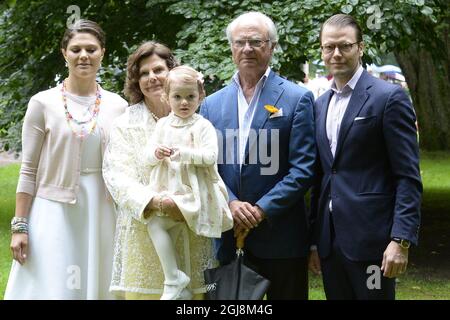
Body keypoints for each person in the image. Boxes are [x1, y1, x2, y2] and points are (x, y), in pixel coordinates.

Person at [4, 19, 127, 299]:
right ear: (64, 54)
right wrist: (20, 227)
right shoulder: (42, 103)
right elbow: (28, 169)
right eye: (76, 49)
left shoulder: (118, 106)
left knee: (98, 280)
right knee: (56, 281)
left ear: (102, 53)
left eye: (91, 49)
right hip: (54, 208)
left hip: (101, 207)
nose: (84, 55)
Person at [200, 11, 316, 300]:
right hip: (229, 237)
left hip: (282, 238)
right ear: (231, 49)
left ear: (272, 47)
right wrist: (230, 202)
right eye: (240, 42)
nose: (247, 49)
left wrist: (261, 209)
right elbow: (206, 167)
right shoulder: (211, 105)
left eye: (256, 41)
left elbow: (303, 169)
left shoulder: (296, 98)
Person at [308, 14, 422, 300]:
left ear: (360, 47)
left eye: (344, 46)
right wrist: (314, 242)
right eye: (328, 47)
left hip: (373, 244)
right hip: (331, 244)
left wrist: (401, 239)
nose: (336, 53)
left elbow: (407, 176)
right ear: (321, 50)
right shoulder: (320, 105)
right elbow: (321, 176)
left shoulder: (388, 98)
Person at [102, 42, 217, 300]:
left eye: (158, 70)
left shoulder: (200, 120)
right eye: (144, 73)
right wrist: (155, 202)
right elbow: (116, 174)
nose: (152, 78)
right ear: (136, 80)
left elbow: (211, 163)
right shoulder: (125, 123)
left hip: (193, 227)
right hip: (145, 231)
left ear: (172, 74)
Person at [145, 65, 233, 300]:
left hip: (193, 192)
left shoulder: (202, 125)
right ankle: (175, 282)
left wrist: (183, 153)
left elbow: (211, 157)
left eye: (190, 96)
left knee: (157, 225)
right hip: (168, 188)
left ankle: (174, 280)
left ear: (200, 96)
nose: (184, 102)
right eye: (177, 97)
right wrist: (156, 152)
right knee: (161, 228)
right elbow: (146, 157)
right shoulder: (163, 125)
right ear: (166, 97)